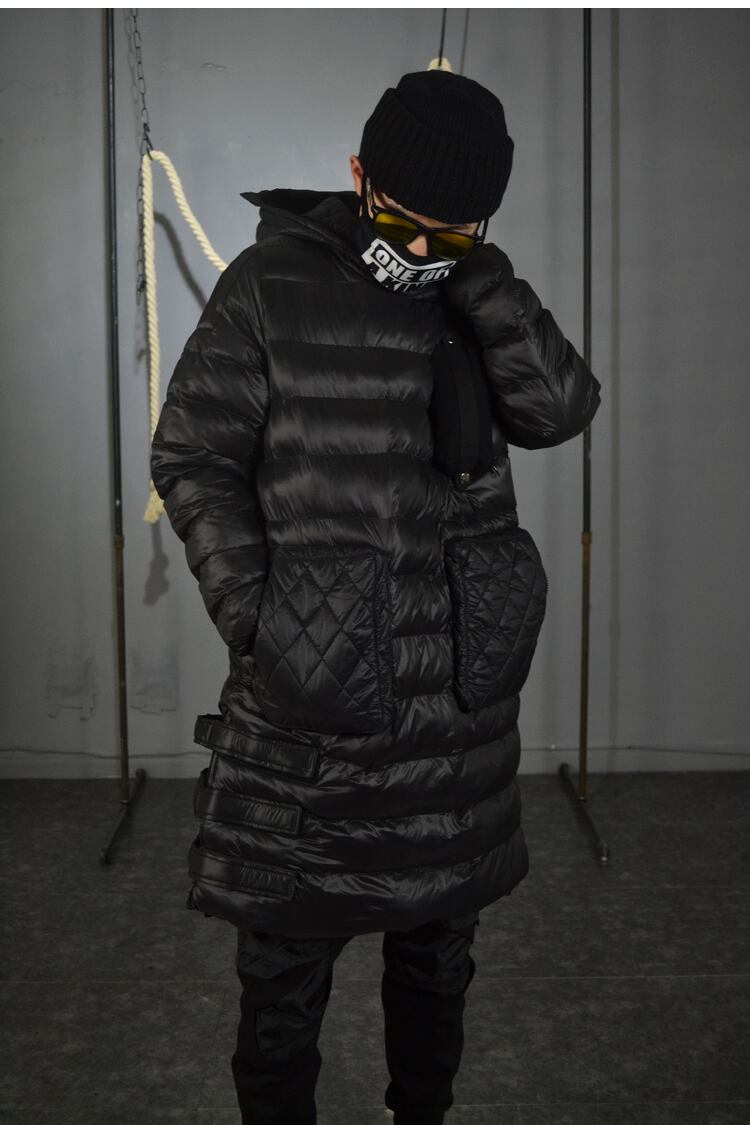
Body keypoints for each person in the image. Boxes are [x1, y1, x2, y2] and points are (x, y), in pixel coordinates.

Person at [150, 69, 601, 1125]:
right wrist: (260, 618)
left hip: (454, 704)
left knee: (439, 962)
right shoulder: (269, 285)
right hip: (315, 705)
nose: (423, 246)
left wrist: (480, 278)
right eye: (403, 222)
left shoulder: (471, 288)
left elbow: (559, 410)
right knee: (282, 988)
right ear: (358, 177)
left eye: (455, 230)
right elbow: (194, 456)